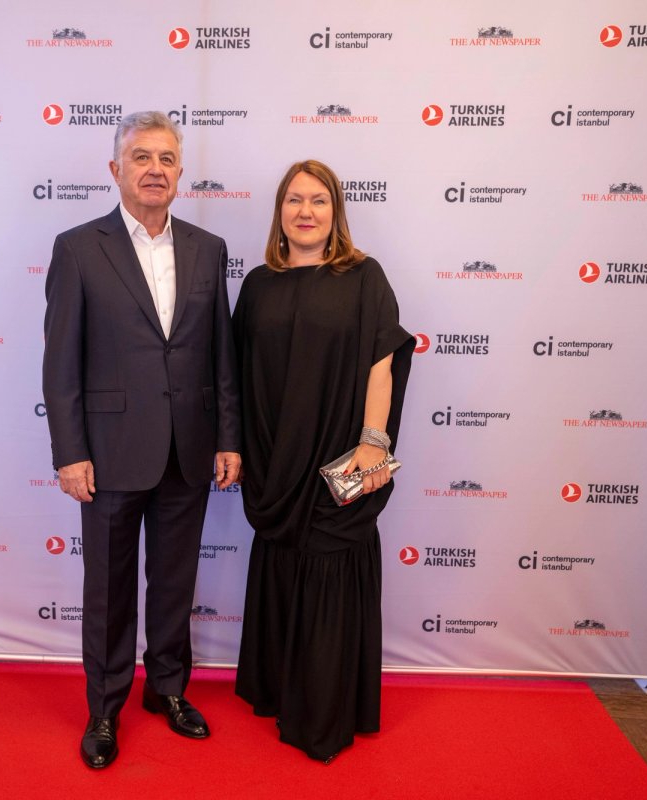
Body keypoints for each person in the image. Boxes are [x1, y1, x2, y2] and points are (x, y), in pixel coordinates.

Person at [42, 110, 241, 769]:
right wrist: (69, 452)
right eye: (141, 157)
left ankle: (169, 690)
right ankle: (104, 708)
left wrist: (228, 440)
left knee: (174, 583)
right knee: (108, 587)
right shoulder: (77, 248)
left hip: (189, 449)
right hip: (107, 455)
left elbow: (222, 358)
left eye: (166, 158)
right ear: (116, 169)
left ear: (181, 172)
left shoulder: (208, 250)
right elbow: (60, 362)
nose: (154, 169)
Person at [232, 159, 413, 763]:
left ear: (336, 213)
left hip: (344, 454)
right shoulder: (257, 284)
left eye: (318, 201)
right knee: (284, 562)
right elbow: (238, 374)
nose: (305, 211)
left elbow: (382, 362)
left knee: (332, 563)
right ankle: (279, 690)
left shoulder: (364, 277)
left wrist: (372, 443)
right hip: (274, 462)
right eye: (294, 200)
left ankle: (324, 715)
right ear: (279, 211)